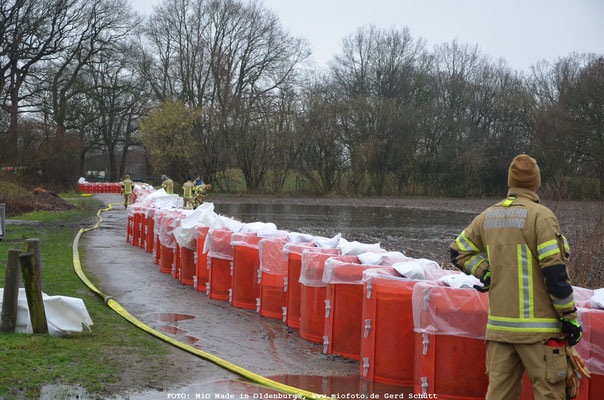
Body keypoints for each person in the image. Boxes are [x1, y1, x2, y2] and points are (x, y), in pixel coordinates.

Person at [449, 155, 585, 400]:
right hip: (540, 335)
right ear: (536, 183)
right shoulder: (541, 217)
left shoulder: (487, 217)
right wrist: (570, 319)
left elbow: (457, 250)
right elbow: (555, 275)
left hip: (499, 332)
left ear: (511, 182)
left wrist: (485, 272)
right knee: (551, 395)